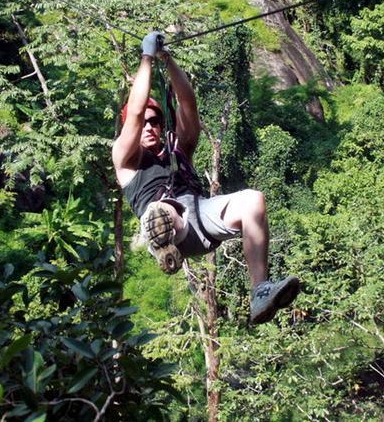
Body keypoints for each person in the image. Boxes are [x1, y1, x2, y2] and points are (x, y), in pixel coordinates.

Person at [112, 32, 299, 324]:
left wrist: (167, 59)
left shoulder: (178, 149)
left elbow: (188, 105)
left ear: (162, 125)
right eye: (144, 123)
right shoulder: (126, 159)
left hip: (199, 220)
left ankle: (260, 292)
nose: (149, 127)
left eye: (156, 122)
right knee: (160, 212)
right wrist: (146, 58)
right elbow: (135, 114)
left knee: (253, 200)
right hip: (164, 222)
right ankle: (164, 244)